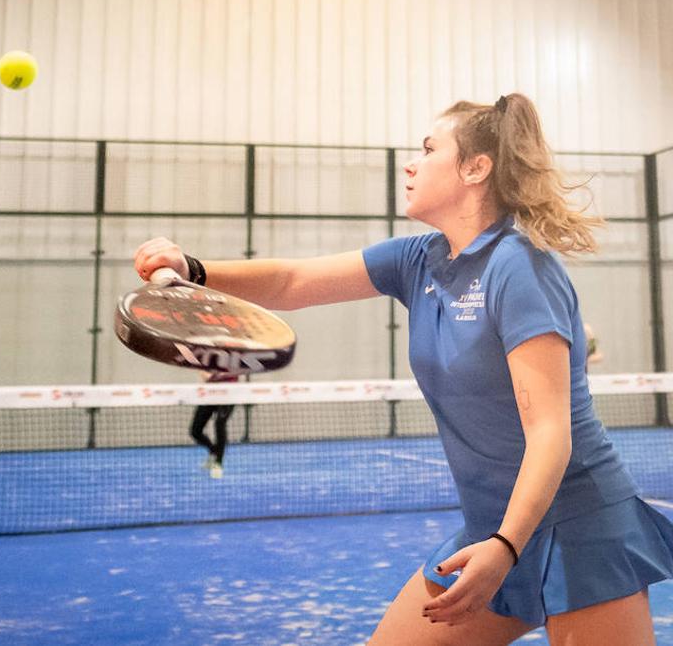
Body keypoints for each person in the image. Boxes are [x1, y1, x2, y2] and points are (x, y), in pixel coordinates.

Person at [134, 94, 673, 645]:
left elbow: (550, 432)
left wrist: (506, 546)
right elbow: (290, 282)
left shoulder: (520, 267)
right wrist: (193, 269)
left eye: (429, 149)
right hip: (490, 528)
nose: (411, 163)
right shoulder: (419, 260)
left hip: (579, 525)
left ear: (475, 168)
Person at [190, 371, 238, 479]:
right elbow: (204, 373)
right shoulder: (207, 357)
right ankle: (214, 452)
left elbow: (235, 372)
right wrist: (205, 374)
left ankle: (218, 463)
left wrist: (215, 376)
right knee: (195, 431)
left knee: (219, 424)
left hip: (228, 393)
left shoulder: (233, 356)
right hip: (210, 393)